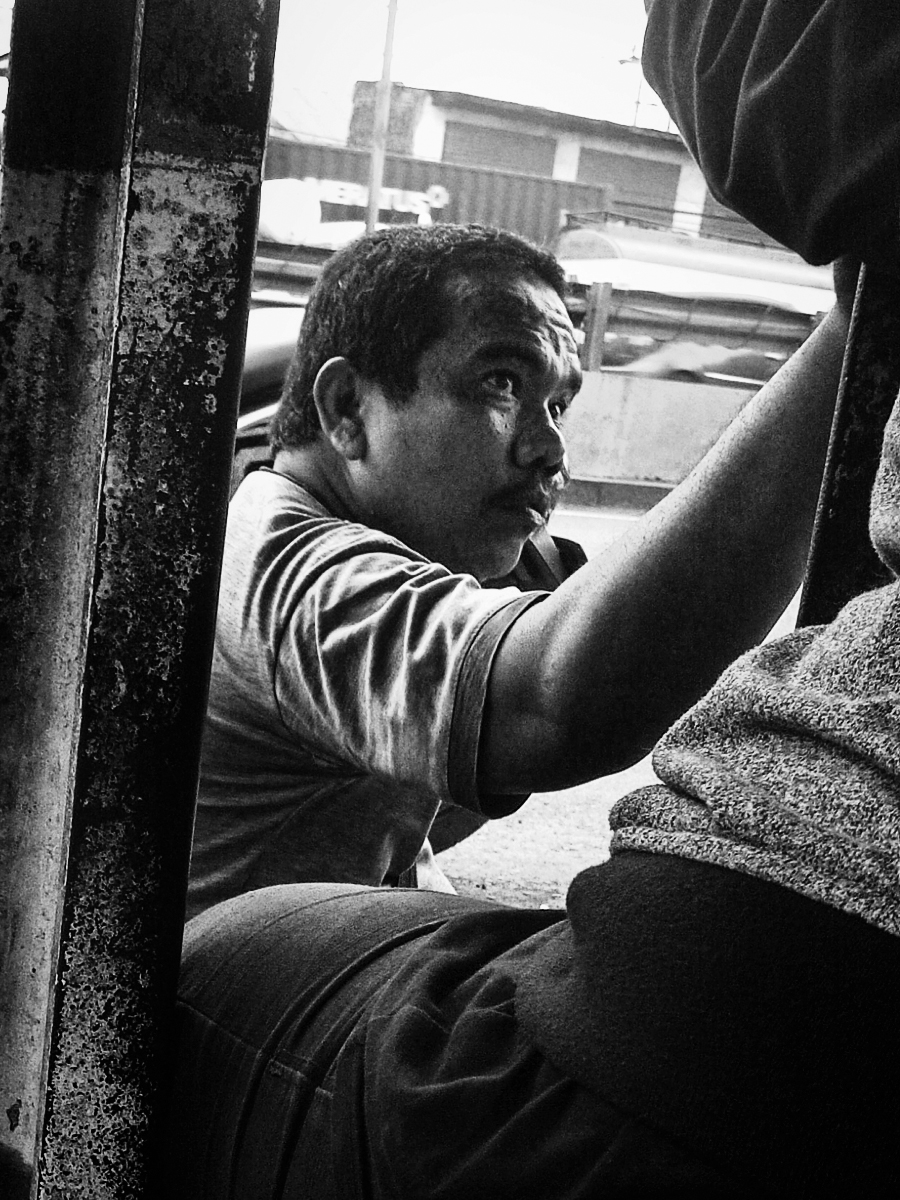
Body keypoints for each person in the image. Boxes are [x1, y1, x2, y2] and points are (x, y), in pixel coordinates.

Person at [187, 221, 850, 919]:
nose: (550, 448)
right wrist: (854, 331)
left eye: (558, 405)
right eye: (500, 383)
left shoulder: (322, 527)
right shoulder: (297, 576)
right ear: (348, 408)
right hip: (224, 975)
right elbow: (554, 708)